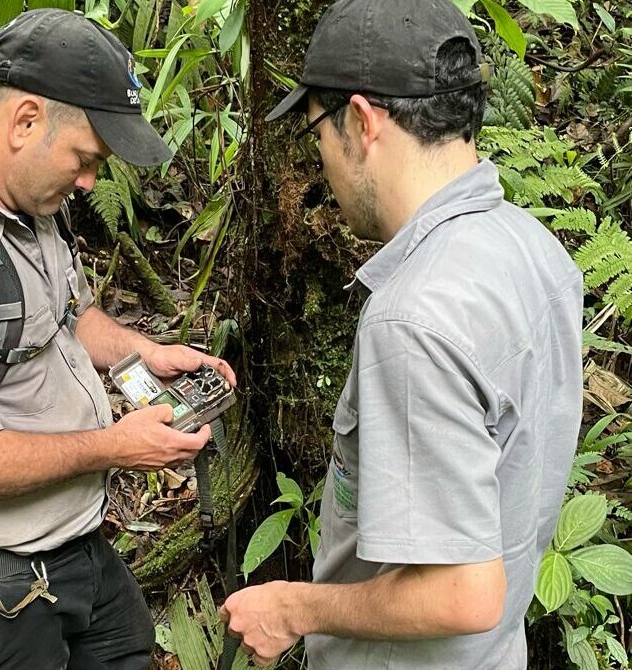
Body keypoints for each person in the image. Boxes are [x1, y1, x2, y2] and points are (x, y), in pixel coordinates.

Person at [0, 9, 236, 670]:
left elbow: (62, 317)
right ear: (25, 120)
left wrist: (143, 353)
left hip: (73, 546)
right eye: (85, 160)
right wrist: (116, 447)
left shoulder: (25, 205)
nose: (89, 183)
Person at [220, 1, 582, 668]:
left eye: (319, 133)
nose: (323, 163)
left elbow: (460, 594)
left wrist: (293, 608)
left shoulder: (413, 317)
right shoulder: (536, 252)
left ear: (361, 122)